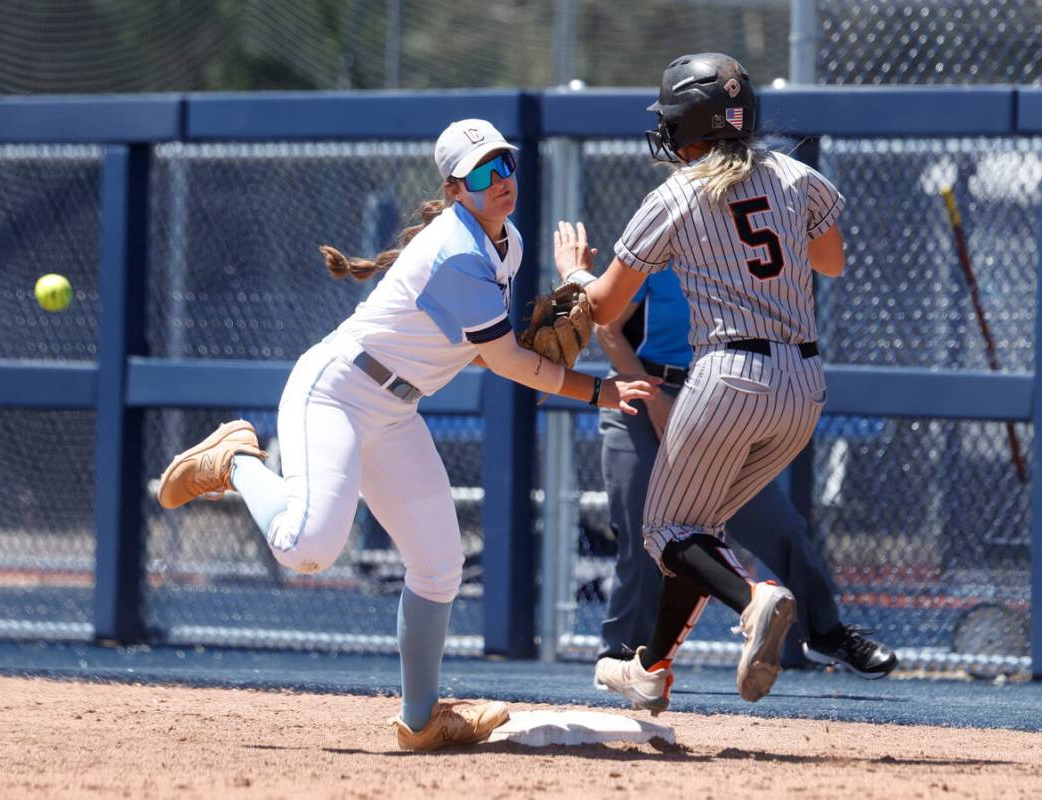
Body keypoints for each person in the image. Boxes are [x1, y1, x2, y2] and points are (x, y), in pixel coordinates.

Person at [155, 118, 659, 751]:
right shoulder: (456, 251)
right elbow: (503, 360)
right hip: (335, 393)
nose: (501, 178)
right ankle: (235, 463)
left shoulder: (508, 245)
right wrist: (593, 388)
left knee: (439, 564)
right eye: (483, 171)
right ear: (454, 188)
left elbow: (489, 347)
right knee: (305, 547)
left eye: (506, 164)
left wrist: (571, 294)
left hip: (395, 411)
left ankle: (420, 721)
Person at [553, 52, 851, 711]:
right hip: (802, 387)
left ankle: (753, 601)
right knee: (698, 526)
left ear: (689, 125)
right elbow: (829, 261)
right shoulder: (795, 174)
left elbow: (601, 310)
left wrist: (573, 272)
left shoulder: (676, 194)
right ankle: (652, 669)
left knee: (666, 533)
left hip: (727, 378)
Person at [555, 255, 897, 680]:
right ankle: (626, 661)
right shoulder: (659, 239)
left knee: (781, 529)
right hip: (641, 395)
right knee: (644, 536)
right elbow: (607, 327)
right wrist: (656, 400)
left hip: (715, 405)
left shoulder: (748, 252)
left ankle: (826, 633)